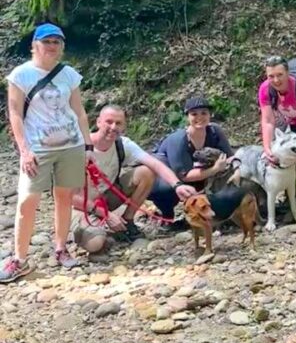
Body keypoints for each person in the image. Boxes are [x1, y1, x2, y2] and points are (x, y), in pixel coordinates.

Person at [2, 23, 91, 281]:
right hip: (37, 148)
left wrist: (87, 145)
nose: (52, 46)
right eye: (47, 41)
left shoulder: (69, 74)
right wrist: (24, 150)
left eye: (57, 42)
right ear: (34, 45)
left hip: (70, 144)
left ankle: (61, 248)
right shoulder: (21, 75)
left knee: (64, 197)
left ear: (62, 46)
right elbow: (15, 113)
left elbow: (79, 111)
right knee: (27, 201)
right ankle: (19, 258)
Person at [72, 104, 198, 253]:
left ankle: (128, 220)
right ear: (98, 122)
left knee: (146, 172)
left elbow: (155, 164)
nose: (113, 127)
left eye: (118, 123)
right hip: (81, 206)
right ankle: (82, 230)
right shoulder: (78, 147)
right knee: (96, 245)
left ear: (124, 125)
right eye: (109, 122)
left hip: (107, 196)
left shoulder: (122, 144)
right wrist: (105, 214)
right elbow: (69, 196)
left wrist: (177, 185)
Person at [148, 95, 234, 219]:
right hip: (168, 177)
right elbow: (184, 176)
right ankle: (167, 216)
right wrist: (215, 169)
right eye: (194, 114)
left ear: (210, 115)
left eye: (204, 113)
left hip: (200, 173)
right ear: (187, 117)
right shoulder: (179, 140)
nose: (199, 117)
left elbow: (229, 156)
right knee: (165, 190)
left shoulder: (215, 132)